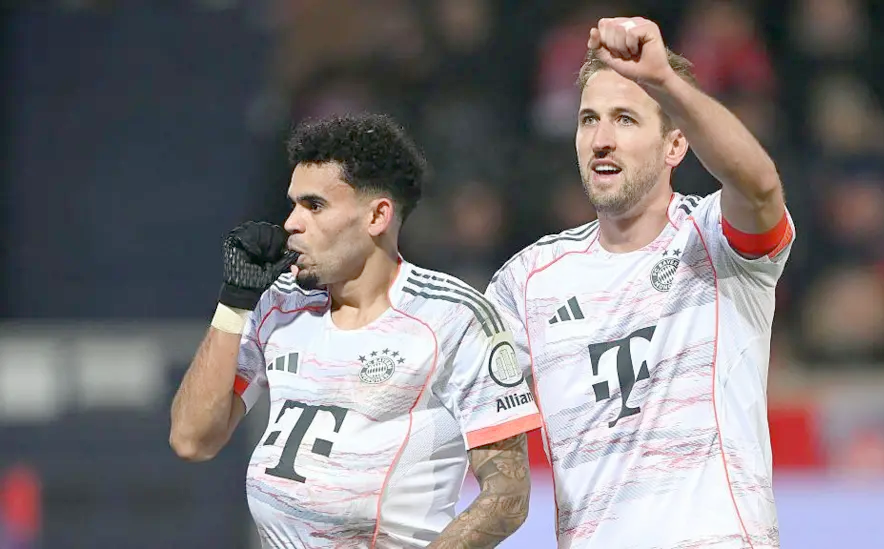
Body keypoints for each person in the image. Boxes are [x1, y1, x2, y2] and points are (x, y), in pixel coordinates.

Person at [485, 17, 794, 549]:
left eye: (625, 119)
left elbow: (760, 188)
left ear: (676, 144)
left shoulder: (714, 240)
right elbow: (453, 396)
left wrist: (665, 82)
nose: (601, 141)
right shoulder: (528, 280)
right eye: (588, 120)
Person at [169, 113, 541, 548]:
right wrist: (233, 303)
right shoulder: (279, 304)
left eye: (314, 206)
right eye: (293, 204)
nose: (291, 223)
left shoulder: (454, 318)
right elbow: (192, 439)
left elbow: (507, 498)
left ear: (377, 216)